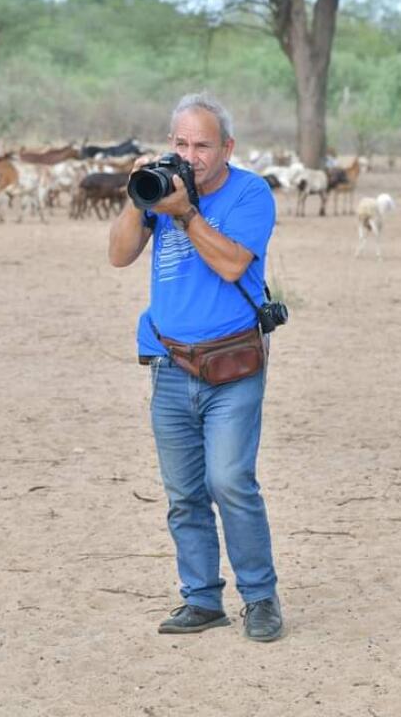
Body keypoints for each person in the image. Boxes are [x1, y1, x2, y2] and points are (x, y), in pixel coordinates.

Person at [108, 92, 283, 642]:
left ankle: (260, 598)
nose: (191, 155)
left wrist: (184, 212)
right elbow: (118, 255)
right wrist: (139, 198)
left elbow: (233, 265)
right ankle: (202, 598)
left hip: (232, 364)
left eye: (203, 145)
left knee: (230, 480)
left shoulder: (250, 194)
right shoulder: (160, 189)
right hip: (168, 361)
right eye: (181, 143)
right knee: (183, 492)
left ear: (227, 147)